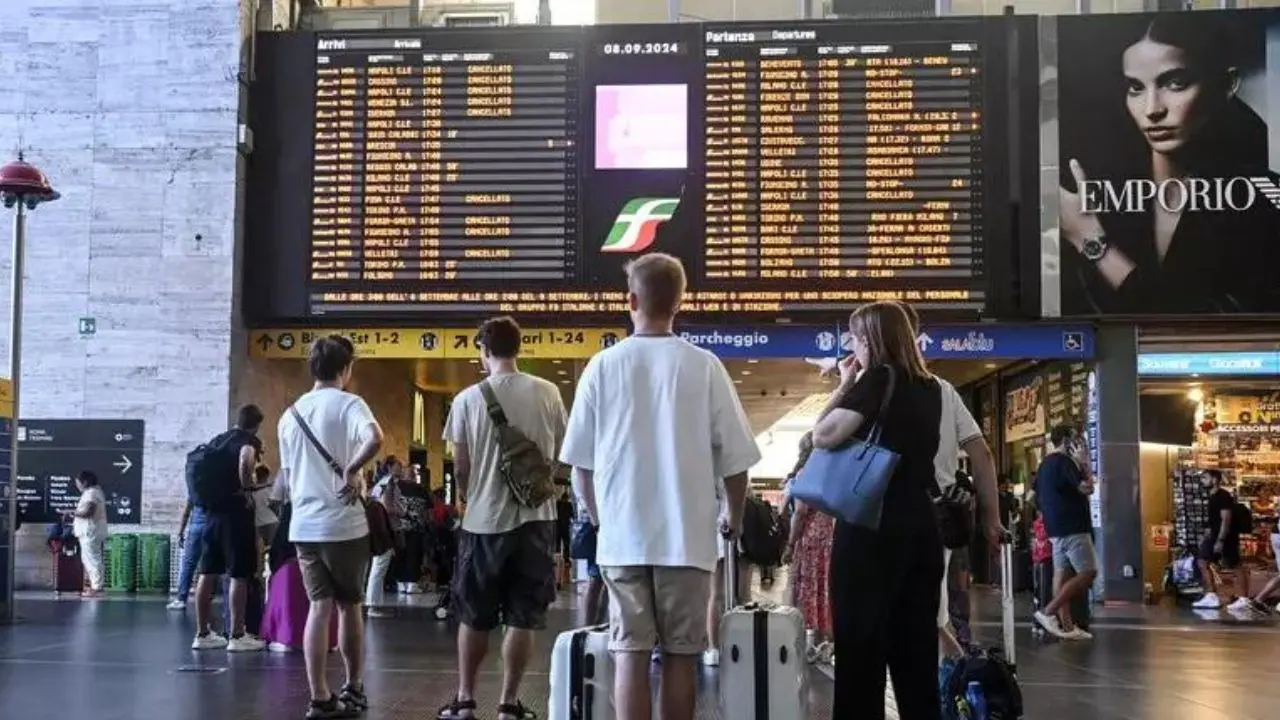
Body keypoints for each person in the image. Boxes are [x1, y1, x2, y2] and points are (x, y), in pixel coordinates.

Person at [560, 253, 760, 720]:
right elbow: (735, 461)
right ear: (680, 302)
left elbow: (581, 466)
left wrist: (599, 517)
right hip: (687, 540)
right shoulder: (704, 365)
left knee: (627, 652)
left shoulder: (602, 366)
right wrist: (730, 516)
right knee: (680, 656)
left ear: (631, 300)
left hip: (622, 539)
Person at [1059, 13, 1280, 314]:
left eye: (1175, 83)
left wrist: (1091, 241)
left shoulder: (1267, 196)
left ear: (1227, 85)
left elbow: (1199, 321)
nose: (1152, 110)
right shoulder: (1092, 193)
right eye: (1136, 88)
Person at [809, 301, 946, 720]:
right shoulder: (931, 387)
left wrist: (846, 383)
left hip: (872, 524)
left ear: (870, 340)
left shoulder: (879, 378)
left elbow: (823, 435)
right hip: (921, 526)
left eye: (856, 338)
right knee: (916, 651)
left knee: (860, 648)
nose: (854, 345)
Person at [438, 316, 568, 720]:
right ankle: (509, 703)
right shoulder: (549, 393)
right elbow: (563, 453)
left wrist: (467, 497)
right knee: (522, 615)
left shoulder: (466, 399)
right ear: (519, 348)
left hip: (483, 522)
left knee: (474, 615)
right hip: (536, 519)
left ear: (484, 350)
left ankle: (464, 698)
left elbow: (460, 465)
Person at [278, 334, 384, 720]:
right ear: (346, 368)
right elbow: (375, 438)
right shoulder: (350, 404)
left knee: (318, 608)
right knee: (350, 606)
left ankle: (319, 696)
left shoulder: (290, 415)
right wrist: (351, 470)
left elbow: (287, 480)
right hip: (344, 525)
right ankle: (354, 688)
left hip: (304, 525)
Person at [192, 404, 267, 653]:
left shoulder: (218, 440)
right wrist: (247, 488)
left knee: (207, 572)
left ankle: (202, 633)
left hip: (211, 514)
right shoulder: (248, 441)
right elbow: (246, 459)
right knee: (238, 573)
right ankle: (237, 634)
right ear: (255, 424)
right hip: (235, 514)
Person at [1031, 425, 1097, 640]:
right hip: (1073, 525)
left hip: (1054, 528)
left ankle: (1067, 627)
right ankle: (1048, 612)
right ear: (1067, 440)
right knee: (1088, 572)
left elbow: (1034, 496)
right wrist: (1085, 464)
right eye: (1075, 438)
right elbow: (1087, 488)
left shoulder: (1044, 465)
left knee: (1062, 573)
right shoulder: (1066, 462)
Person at [781, 432, 836, 664]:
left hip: (811, 540)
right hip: (830, 537)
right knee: (825, 591)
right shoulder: (832, 473)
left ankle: (805, 644)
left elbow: (801, 512)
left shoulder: (806, 474)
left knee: (806, 589)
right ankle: (826, 644)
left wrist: (791, 544)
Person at [261, 492, 339, 654]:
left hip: (289, 568)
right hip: (321, 566)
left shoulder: (290, 514)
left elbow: (277, 552)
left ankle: (286, 636)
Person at [1193, 469, 1241, 610]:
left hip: (1224, 537)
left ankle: (1242, 598)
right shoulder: (1212, 496)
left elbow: (1226, 519)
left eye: (1205, 478)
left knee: (1235, 565)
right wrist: (1206, 536)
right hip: (1214, 536)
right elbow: (1213, 520)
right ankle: (1212, 595)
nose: (1203, 481)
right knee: (1203, 561)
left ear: (1215, 480)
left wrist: (1220, 540)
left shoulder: (1223, 496)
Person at [365, 458, 402, 618]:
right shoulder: (389, 483)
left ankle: (374, 603)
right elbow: (388, 506)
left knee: (377, 566)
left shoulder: (380, 482)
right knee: (380, 566)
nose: (401, 468)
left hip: (377, 525)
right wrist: (402, 511)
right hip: (384, 526)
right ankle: (373, 604)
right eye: (398, 466)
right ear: (390, 467)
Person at [71, 471, 108, 598]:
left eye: (78, 483)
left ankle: (97, 588)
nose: (77, 486)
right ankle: (95, 586)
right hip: (91, 531)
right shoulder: (95, 492)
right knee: (90, 559)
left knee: (92, 560)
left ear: (85, 482)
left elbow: (88, 512)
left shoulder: (91, 493)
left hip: (90, 532)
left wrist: (71, 513)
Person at [168, 499, 206, 610]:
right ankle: (207, 597)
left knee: (189, 564)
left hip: (196, 528)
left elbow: (186, 512)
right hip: (211, 527)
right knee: (210, 568)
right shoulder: (216, 490)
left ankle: (181, 599)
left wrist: (181, 532)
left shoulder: (195, 489)